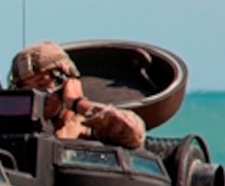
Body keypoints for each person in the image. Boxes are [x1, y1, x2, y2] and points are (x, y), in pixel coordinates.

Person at [8, 41, 146, 149]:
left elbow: (134, 132)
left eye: (42, 85)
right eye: (25, 90)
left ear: (66, 83)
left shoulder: (93, 128)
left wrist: (77, 102)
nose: (35, 95)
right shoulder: (17, 135)